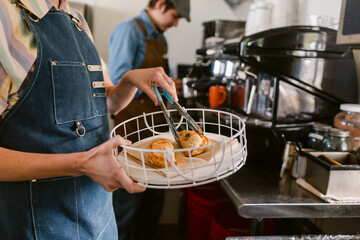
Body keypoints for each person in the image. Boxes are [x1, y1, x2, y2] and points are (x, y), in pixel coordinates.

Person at [0, 0, 177, 239]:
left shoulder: (76, 20)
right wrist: (81, 163)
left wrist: (127, 82)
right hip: (42, 226)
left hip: (99, 218)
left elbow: (104, 103)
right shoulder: (5, 17)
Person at [108, 0, 190, 239]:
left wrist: (170, 85)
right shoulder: (129, 30)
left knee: (154, 201)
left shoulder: (160, 37)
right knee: (127, 204)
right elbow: (117, 81)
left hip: (156, 129)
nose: (175, 24)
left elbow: (157, 77)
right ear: (162, 4)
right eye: (175, 17)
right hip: (132, 131)